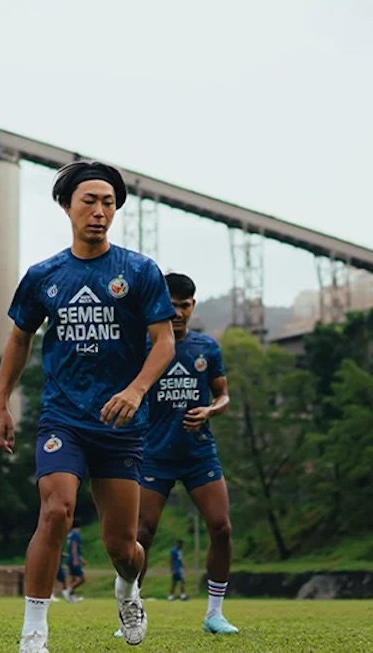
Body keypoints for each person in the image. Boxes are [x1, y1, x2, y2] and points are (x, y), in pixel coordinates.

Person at [0, 160, 176, 652]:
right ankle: (34, 632)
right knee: (56, 511)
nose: (99, 211)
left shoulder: (139, 271)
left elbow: (164, 342)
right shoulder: (43, 276)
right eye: (89, 201)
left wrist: (136, 390)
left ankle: (128, 589)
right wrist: (1, 403)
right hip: (63, 417)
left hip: (120, 422)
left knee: (123, 547)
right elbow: (19, 339)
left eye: (108, 203)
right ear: (66, 206)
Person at [135, 272, 238, 634]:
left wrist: (211, 409)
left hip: (198, 453)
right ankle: (132, 610)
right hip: (154, 452)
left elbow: (223, 395)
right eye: (171, 305)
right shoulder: (142, 346)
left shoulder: (206, 348)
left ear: (193, 306)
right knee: (142, 533)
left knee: (221, 528)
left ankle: (214, 614)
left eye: (184, 305)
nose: (177, 313)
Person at [62, 518, 85, 602]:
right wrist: (76, 559)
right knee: (82, 579)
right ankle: (68, 590)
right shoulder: (75, 534)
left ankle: (71, 596)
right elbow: (74, 547)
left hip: (70, 558)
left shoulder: (70, 534)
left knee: (73, 579)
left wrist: (81, 559)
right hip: (73, 559)